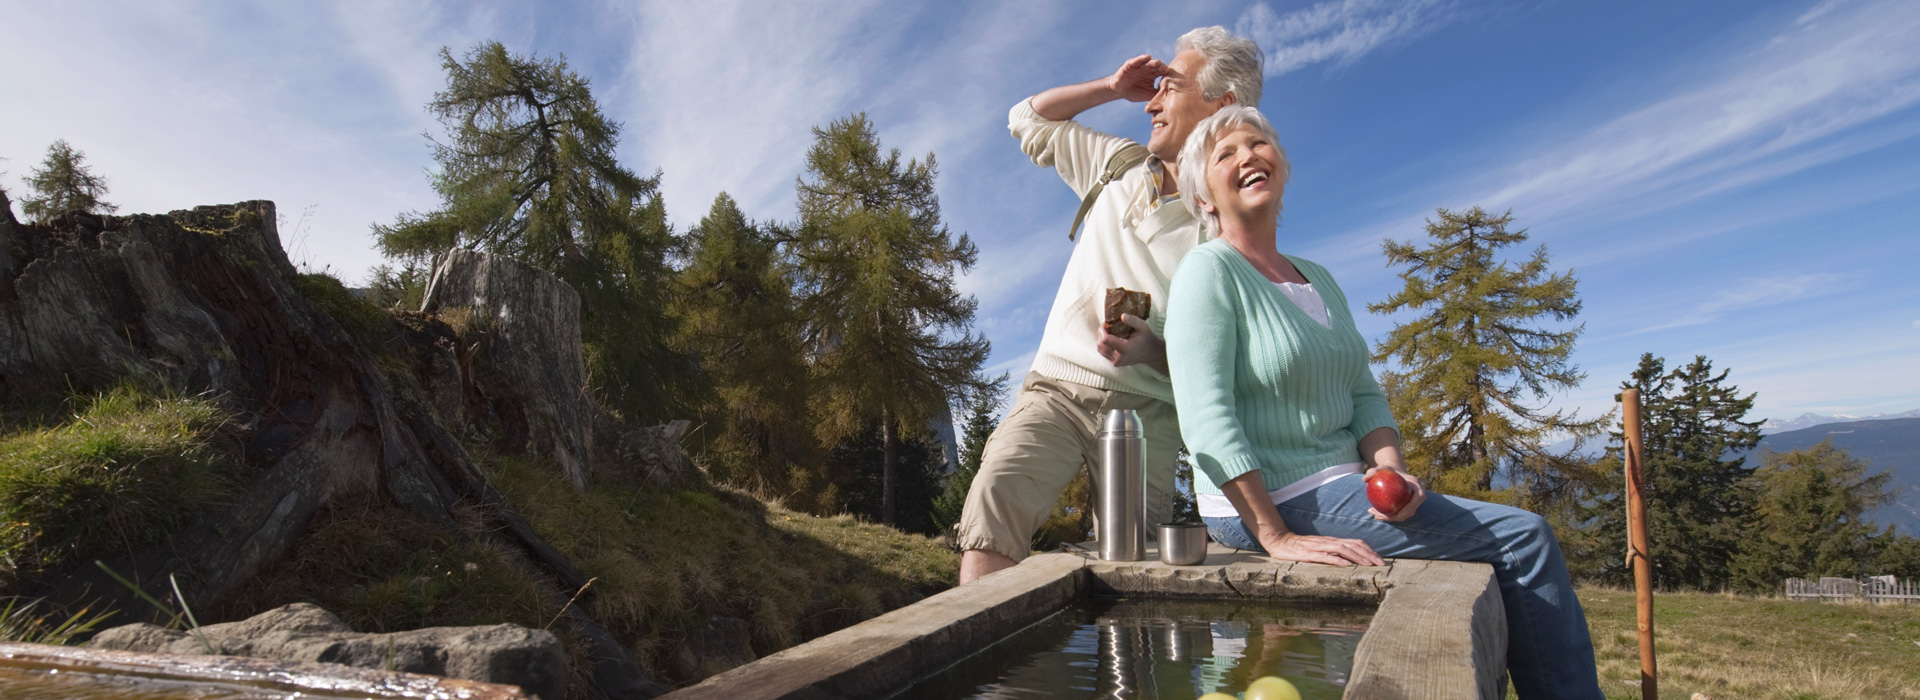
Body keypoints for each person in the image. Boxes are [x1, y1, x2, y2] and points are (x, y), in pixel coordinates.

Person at [1162, 104, 1603, 699]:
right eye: (1225, 153)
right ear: (1204, 197)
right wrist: (1274, 535)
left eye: (1259, 142)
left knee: (1507, 543)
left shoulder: (1317, 276)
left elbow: (1364, 392)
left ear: (1282, 167)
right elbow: (1205, 419)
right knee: (1525, 538)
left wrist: (1390, 469)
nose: (1248, 156)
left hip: (1342, 487)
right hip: (1271, 500)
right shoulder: (1207, 272)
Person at [956, 27, 1263, 584]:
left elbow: (1232, 364)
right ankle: (982, 668)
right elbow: (1027, 119)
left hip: (1151, 412)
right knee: (995, 500)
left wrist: (1157, 349)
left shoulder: (1233, 224)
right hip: (1056, 389)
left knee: (1133, 567)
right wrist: (1108, 86)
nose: (1150, 102)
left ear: (1223, 105)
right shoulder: (1115, 165)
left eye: (1168, 87)